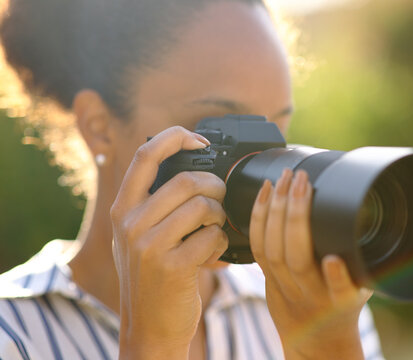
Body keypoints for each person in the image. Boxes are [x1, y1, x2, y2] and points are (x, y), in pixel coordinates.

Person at [0, 0, 385, 359]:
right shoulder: (14, 336)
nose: (266, 164)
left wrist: (328, 345)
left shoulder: (314, 300)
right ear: (99, 127)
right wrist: (152, 345)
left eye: (276, 131)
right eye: (224, 127)